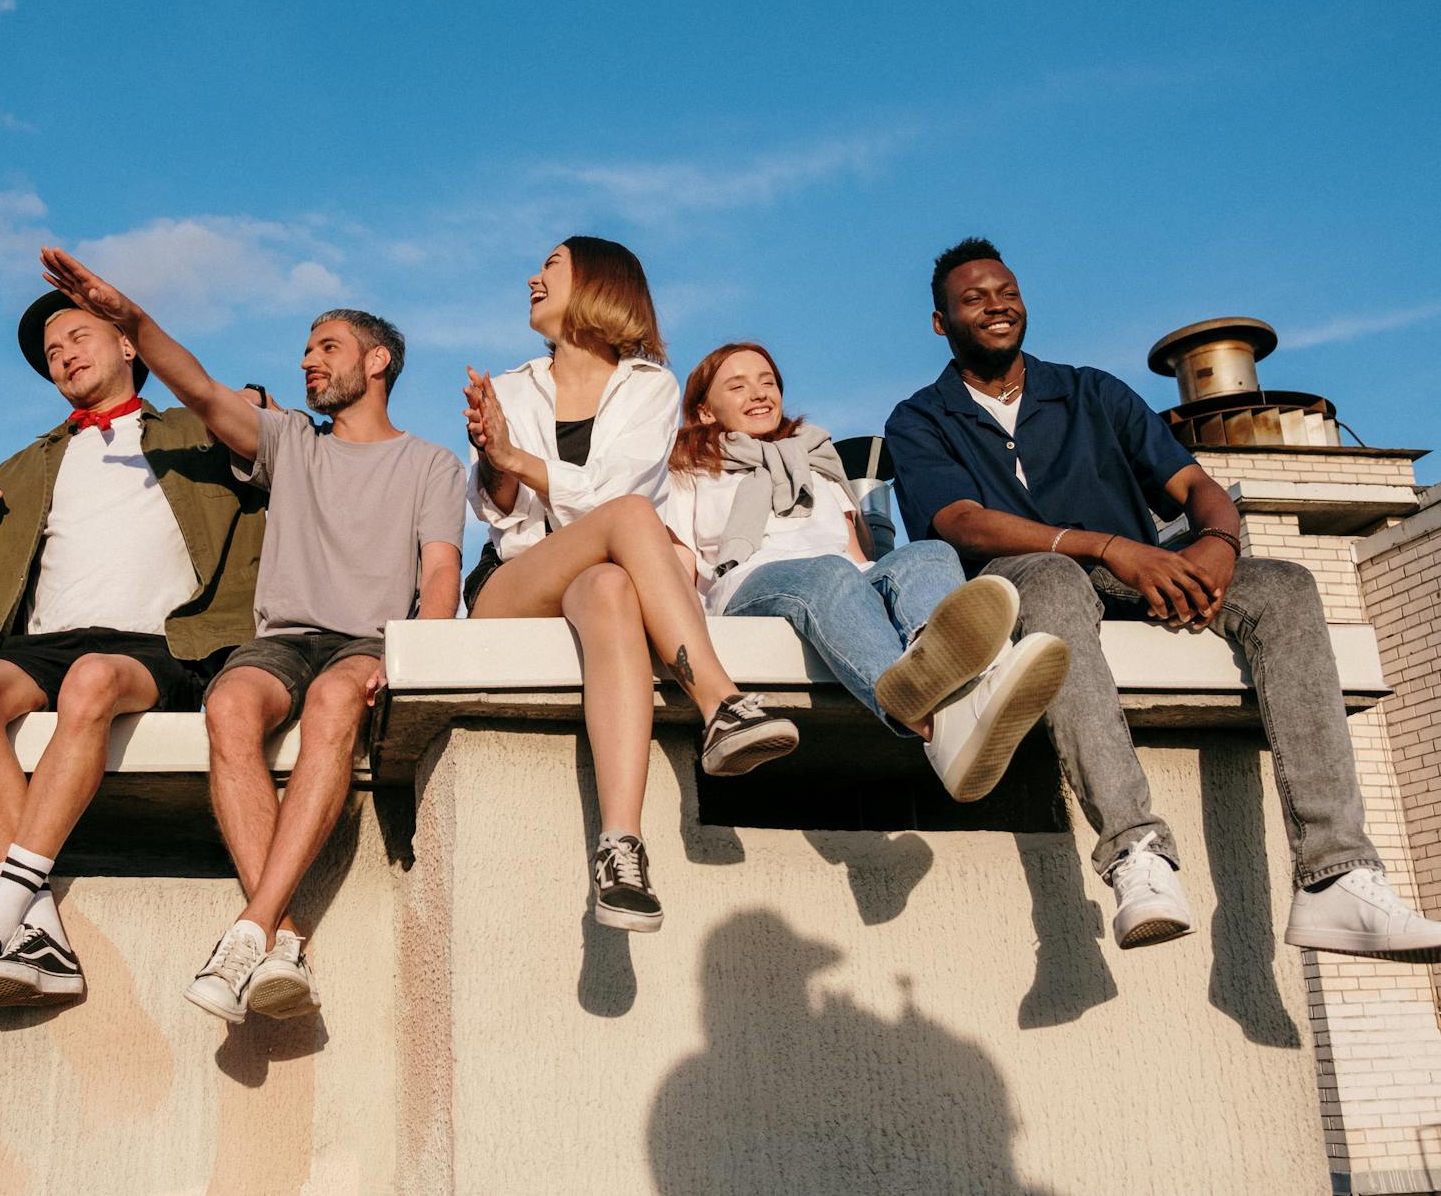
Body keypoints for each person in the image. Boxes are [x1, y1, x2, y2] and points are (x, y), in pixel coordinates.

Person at [885, 236, 1441, 956]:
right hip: (1021, 578)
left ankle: (1335, 874)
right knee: (1052, 579)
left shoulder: (1092, 390)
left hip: (1136, 568)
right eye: (974, 298)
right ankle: (1134, 853)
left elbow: (1195, 486)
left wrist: (1217, 542)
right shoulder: (921, 417)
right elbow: (959, 521)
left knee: (1286, 585)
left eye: (1007, 291)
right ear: (941, 322)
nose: (997, 306)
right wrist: (1108, 546)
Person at [37, 248, 464, 1025]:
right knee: (229, 704)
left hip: (367, 642)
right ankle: (281, 936)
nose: (308, 361)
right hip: (285, 638)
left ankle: (250, 928)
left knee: (336, 703)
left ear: (377, 361)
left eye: (326, 347)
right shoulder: (289, 443)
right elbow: (197, 388)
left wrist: (410, 657)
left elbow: (440, 575)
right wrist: (130, 318)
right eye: (305, 349)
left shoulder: (432, 463)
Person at [0, 279, 268, 1028]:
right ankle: (43, 935)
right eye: (50, 351)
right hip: (42, 644)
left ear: (129, 343)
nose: (61, 354)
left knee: (94, 680)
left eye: (78, 337)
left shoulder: (196, 436)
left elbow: (258, 436)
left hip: (162, 644)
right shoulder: (28, 463)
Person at [463, 237, 800, 936]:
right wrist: (494, 458)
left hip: (597, 575)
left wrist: (516, 456)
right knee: (629, 522)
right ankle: (720, 699)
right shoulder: (515, 386)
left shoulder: (650, 386)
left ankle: (621, 849)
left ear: (599, 284)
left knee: (613, 585)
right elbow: (502, 513)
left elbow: (611, 498)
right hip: (514, 584)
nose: (533, 275)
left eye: (551, 265)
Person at [665, 342, 1068, 801]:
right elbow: (676, 564)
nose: (758, 394)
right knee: (829, 572)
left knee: (928, 553)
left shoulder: (816, 465)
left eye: (768, 382)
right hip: (748, 586)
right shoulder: (687, 473)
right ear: (702, 411)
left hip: (838, 578)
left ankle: (938, 661)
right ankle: (936, 728)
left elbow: (859, 557)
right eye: (737, 386)